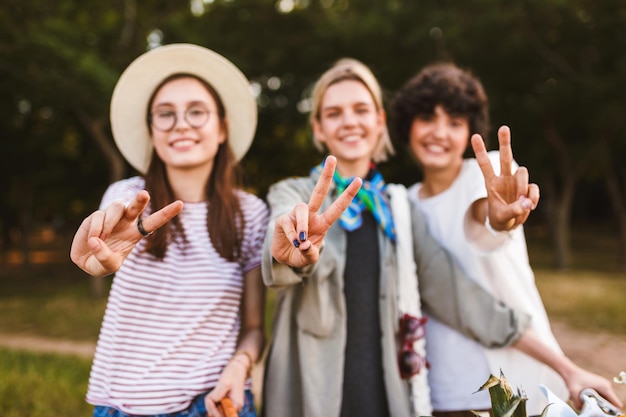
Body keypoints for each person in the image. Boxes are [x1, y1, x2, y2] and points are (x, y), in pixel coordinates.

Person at [261, 58, 622, 417]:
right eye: (334, 113)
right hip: (309, 393)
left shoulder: (399, 209)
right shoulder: (293, 194)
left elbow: (466, 302)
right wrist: (290, 250)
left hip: (384, 397)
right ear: (318, 127)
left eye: (361, 109)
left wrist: (568, 368)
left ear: (379, 122)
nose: (350, 121)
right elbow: (282, 230)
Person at [390, 62, 624, 416]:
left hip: (512, 378)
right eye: (427, 118)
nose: (439, 132)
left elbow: (486, 222)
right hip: (439, 388)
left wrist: (500, 220)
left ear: (471, 130)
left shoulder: (487, 177)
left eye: (454, 122)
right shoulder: (402, 202)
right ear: (408, 125)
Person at [69, 43, 268, 417]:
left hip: (215, 404)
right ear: (152, 130)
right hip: (126, 407)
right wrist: (102, 257)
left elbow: (255, 327)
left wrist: (239, 367)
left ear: (223, 128)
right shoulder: (128, 198)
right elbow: (108, 246)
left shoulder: (250, 214)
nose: (180, 123)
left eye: (197, 112)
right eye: (165, 114)